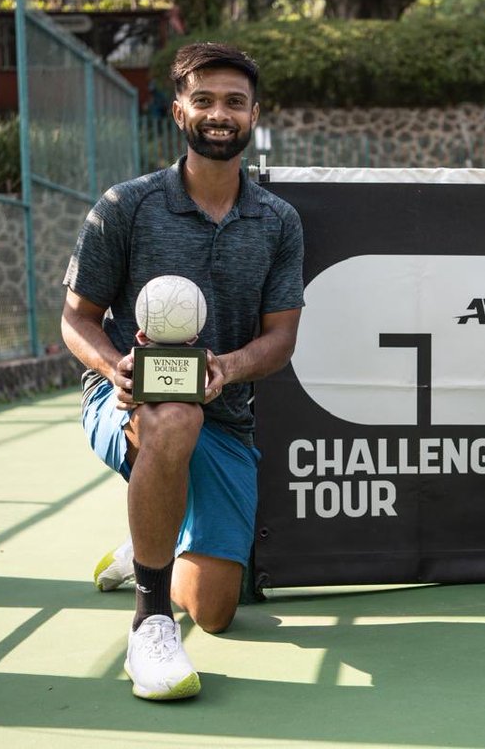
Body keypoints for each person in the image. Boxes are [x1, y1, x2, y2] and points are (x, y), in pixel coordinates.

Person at [61, 42, 304, 701]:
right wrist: (115, 369)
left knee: (220, 612)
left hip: (225, 419)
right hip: (127, 407)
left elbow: (281, 338)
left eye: (233, 102)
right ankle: (150, 621)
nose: (218, 114)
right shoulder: (125, 206)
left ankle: (146, 534)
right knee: (173, 417)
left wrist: (227, 366)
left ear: (254, 115)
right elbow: (74, 318)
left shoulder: (278, 221)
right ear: (178, 111)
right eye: (204, 100)